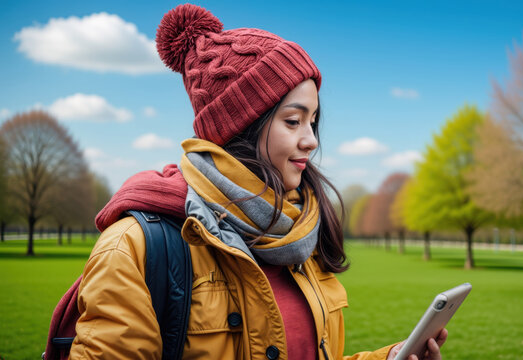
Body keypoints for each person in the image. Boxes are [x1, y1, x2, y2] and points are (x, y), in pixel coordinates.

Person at [69, 4, 447, 360]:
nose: (311, 140)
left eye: (313, 121)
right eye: (293, 121)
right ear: (242, 127)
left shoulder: (299, 237)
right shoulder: (133, 248)